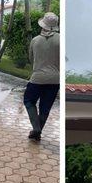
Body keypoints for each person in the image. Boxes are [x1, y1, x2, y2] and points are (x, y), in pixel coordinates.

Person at [24, 12, 60, 142]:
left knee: (28, 101)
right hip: (55, 80)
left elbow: (31, 59)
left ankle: (36, 128)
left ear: (43, 25)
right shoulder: (61, 40)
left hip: (37, 78)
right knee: (45, 107)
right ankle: (37, 132)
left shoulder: (35, 40)